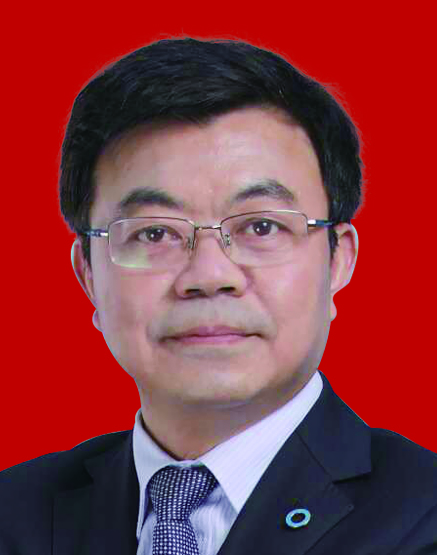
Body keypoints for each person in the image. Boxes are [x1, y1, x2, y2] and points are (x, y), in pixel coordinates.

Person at [1, 37, 436, 555]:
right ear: (88, 274)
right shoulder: (14, 516)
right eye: (155, 233)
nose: (209, 275)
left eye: (261, 226)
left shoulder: (422, 517)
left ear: (338, 259)